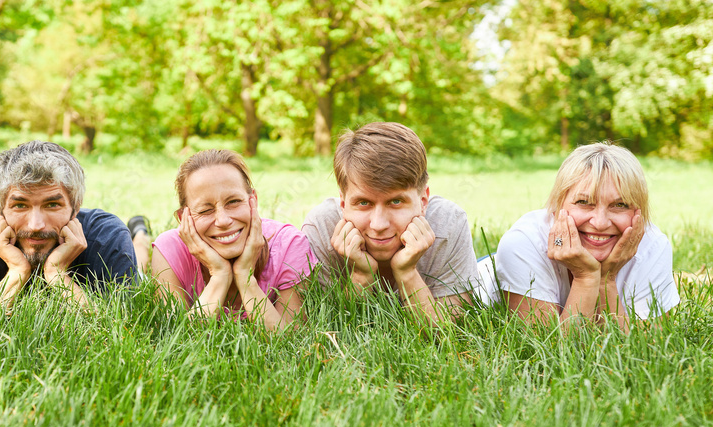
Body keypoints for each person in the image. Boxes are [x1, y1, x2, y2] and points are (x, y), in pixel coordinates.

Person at [481, 142, 679, 331]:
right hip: (486, 268)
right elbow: (550, 352)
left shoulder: (653, 246)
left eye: (620, 205)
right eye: (584, 202)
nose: (600, 223)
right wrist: (586, 278)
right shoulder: (523, 243)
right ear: (558, 205)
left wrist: (605, 280)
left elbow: (642, 349)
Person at [302, 122, 478, 323]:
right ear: (343, 203)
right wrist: (360, 276)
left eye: (396, 201)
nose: (378, 225)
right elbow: (325, 330)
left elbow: (450, 330)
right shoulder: (322, 227)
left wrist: (407, 274)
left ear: (423, 201)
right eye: (363, 202)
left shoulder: (448, 223)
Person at [0, 141, 136, 312]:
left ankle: (140, 234)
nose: (36, 226)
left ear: (75, 208)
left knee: (140, 260)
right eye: (20, 205)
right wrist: (17, 271)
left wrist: (57, 275)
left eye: (52, 205)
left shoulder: (107, 235)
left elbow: (118, 330)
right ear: (0, 211)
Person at [150, 149, 315, 331]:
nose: (223, 221)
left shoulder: (289, 245)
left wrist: (245, 277)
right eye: (205, 210)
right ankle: (140, 235)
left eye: (234, 202)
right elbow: (176, 340)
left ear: (253, 200)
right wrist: (219, 274)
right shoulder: (170, 251)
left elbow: (290, 340)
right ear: (183, 218)